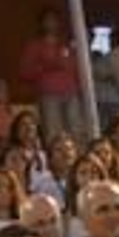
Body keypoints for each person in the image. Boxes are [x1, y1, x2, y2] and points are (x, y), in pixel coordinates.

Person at [18, 8, 85, 141]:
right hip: (49, 95)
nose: (51, 23)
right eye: (48, 20)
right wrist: (47, 66)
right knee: (53, 132)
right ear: (42, 23)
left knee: (76, 131)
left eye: (54, 19)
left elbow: (77, 68)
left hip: (71, 93)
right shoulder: (35, 45)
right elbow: (24, 72)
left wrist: (80, 89)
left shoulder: (66, 44)